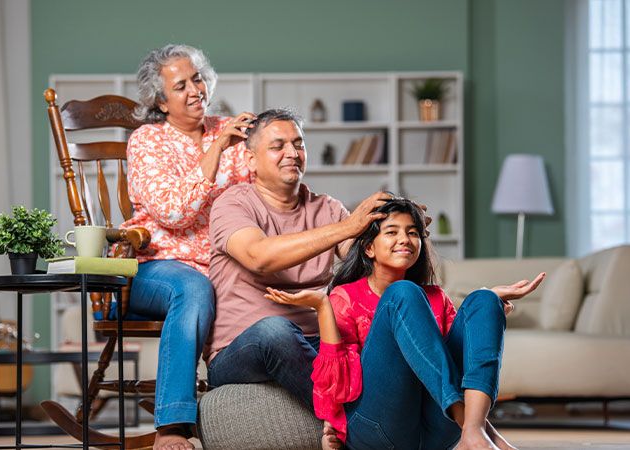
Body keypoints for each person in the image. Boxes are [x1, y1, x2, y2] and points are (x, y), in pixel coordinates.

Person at [265, 197, 546, 450]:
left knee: (484, 299)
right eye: (392, 232)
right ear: (369, 248)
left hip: (436, 431)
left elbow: (454, 360)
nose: (405, 239)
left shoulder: (435, 297)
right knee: (403, 293)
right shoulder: (346, 297)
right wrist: (323, 306)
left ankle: (473, 431)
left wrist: (486, 307)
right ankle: (479, 431)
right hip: (378, 427)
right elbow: (336, 385)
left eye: (413, 232)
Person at [206, 108, 393, 411]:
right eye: (278, 146)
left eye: (299, 143)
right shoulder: (233, 202)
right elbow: (259, 257)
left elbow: (362, 261)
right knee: (275, 330)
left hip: (318, 340)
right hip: (241, 349)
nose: (292, 153)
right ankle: (354, 424)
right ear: (251, 160)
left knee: (379, 331)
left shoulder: (327, 208)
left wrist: (399, 230)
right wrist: (348, 226)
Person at [121, 44, 256, 450]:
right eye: (180, 85)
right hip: (155, 268)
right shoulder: (148, 141)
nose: (195, 89)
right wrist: (216, 150)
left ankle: (248, 418)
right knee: (193, 290)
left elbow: (265, 194)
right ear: (160, 101)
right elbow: (174, 212)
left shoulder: (231, 128)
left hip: (221, 266)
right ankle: (173, 424)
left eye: (197, 78)